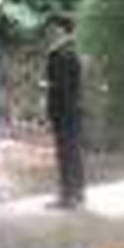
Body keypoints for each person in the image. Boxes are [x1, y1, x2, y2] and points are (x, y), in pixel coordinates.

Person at [44, 14, 85, 207]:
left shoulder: (60, 53)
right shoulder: (72, 50)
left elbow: (61, 86)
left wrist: (47, 87)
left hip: (64, 111)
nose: (49, 32)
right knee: (74, 152)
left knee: (66, 153)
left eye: (52, 28)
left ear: (61, 30)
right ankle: (77, 193)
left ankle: (68, 196)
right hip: (73, 109)